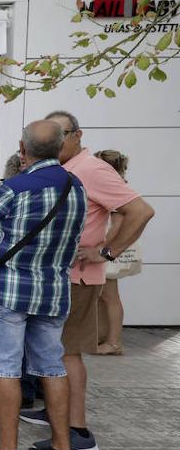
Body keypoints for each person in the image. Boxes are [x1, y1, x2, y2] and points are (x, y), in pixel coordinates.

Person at [17, 112, 154, 450]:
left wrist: (107, 251)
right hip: (58, 275)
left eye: (60, 135)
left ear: (77, 135)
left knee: (67, 353)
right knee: (54, 351)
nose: (55, 142)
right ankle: (55, 411)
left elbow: (140, 210)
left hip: (77, 277)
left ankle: (77, 431)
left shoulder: (91, 168)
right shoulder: (64, 169)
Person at [0, 120, 88, 450]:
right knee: (52, 367)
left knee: (5, 369)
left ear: (23, 148)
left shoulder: (16, 187)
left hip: (8, 290)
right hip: (52, 290)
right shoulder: (75, 186)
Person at [93, 150, 133, 356]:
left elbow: (116, 225)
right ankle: (102, 337)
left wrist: (101, 249)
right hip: (110, 248)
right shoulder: (115, 186)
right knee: (101, 296)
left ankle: (114, 342)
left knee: (110, 296)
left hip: (109, 249)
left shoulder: (115, 189)